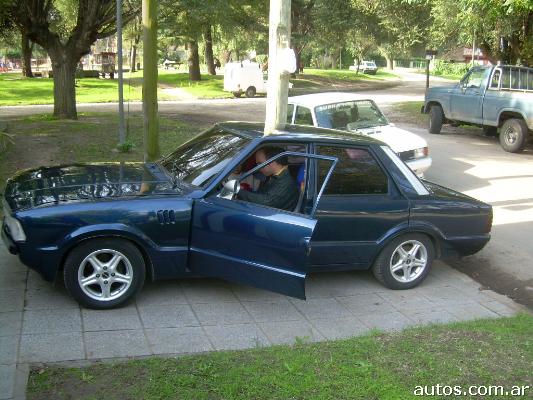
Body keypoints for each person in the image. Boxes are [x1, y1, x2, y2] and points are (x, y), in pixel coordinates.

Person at [236, 146, 299, 211]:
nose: (258, 168)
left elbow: (265, 202)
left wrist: (238, 190)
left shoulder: (285, 182)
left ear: (272, 161)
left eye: (260, 163)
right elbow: (263, 194)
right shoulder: (275, 176)